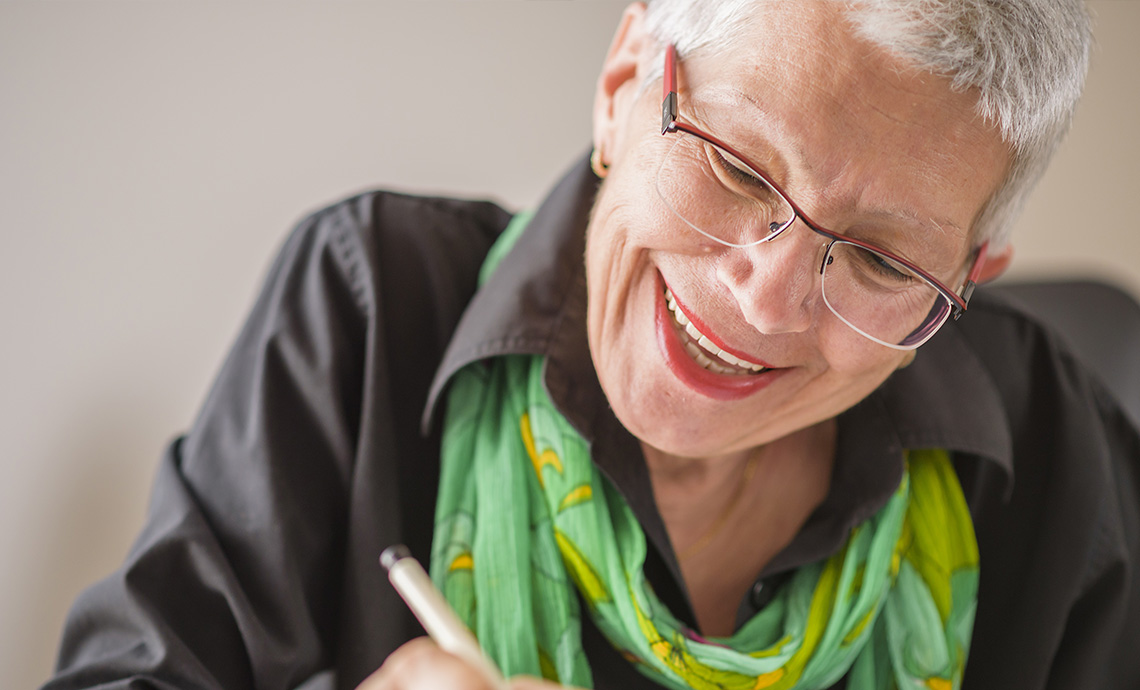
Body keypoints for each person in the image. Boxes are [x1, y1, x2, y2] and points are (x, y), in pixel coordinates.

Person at [42, 1, 1140, 689]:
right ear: (625, 89)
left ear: (965, 281)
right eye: (739, 168)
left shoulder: (1060, 445)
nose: (761, 302)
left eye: (884, 264)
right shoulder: (369, 302)